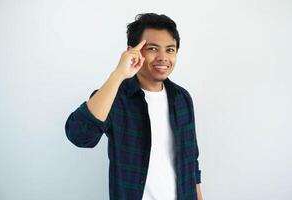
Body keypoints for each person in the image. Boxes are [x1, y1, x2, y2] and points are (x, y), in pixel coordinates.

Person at [65, 13, 203, 200]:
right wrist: (119, 74)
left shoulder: (182, 98)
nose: (163, 57)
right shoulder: (115, 97)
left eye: (170, 50)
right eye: (153, 48)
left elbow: (191, 161)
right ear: (133, 51)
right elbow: (80, 136)